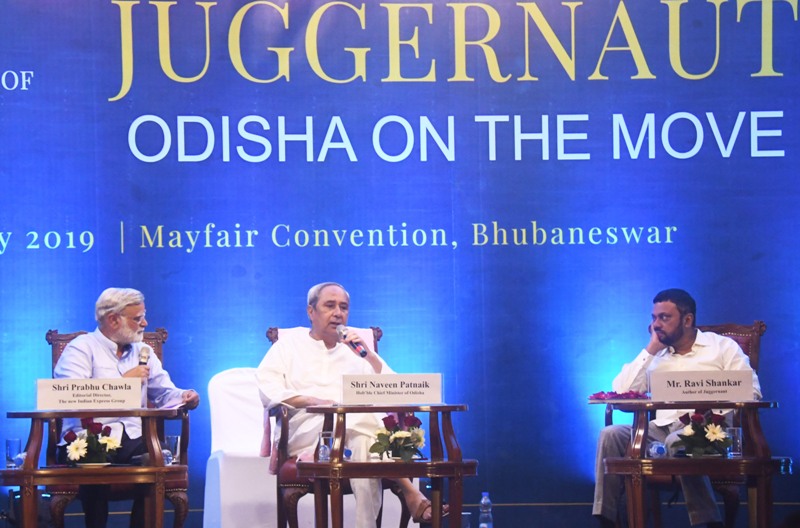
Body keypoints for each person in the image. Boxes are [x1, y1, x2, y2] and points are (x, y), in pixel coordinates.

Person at [256, 282, 442, 526]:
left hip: (356, 433)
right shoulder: (288, 347)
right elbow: (268, 390)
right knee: (362, 423)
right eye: (330, 306)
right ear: (311, 311)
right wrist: (317, 401)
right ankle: (411, 491)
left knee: (363, 440)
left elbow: (395, 389)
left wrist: (369, 354)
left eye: (343, 307)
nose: (338, 313)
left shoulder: (356, 349)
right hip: (310, 430)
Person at [592, 288, 761, 528]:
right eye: (654, 318)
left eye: (664, 317)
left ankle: (707, 522)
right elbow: (622, 392)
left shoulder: (722, 347)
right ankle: (607, 518)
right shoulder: (656, 355)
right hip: (660, 429)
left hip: (711, 430)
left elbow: (752, 391)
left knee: (677, 441)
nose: (656, 324)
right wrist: (651, 348)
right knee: (611, 434)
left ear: (687, 319)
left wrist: (710, 401)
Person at [53, 287, 200, 528]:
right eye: (137, 318)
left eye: (144, 316)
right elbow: (69, 396)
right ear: (113, 320)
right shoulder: (81, 348)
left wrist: (184, 396)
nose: (145, 323)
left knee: (156, 457)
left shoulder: (143, 351)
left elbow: (164, 392)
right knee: (95, 460)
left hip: (132, 437)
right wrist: (124, 383)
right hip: (87, 437)